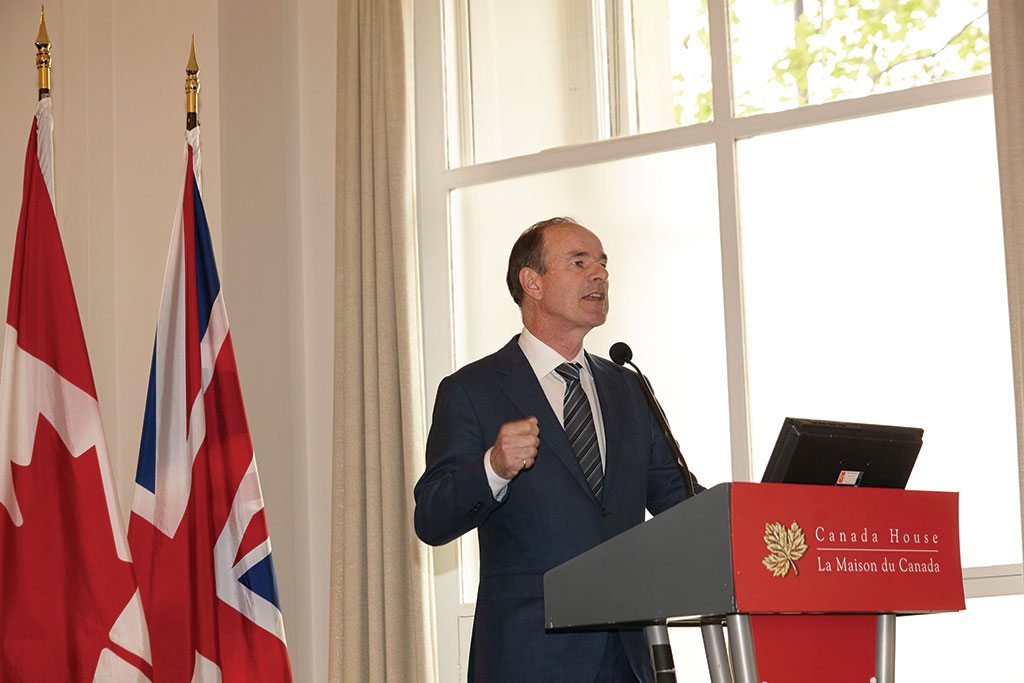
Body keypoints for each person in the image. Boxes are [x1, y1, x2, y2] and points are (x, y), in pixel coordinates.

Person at [414, 217, 701, 682]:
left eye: (603, 264)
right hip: (530, 658)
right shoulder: (473, 390)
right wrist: (493, 468)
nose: (600, 274)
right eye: (579, 263)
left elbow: (679, 500)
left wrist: (757, 511)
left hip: (629, 658)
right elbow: (431, 518)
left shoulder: (628, 386)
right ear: (533, 283)